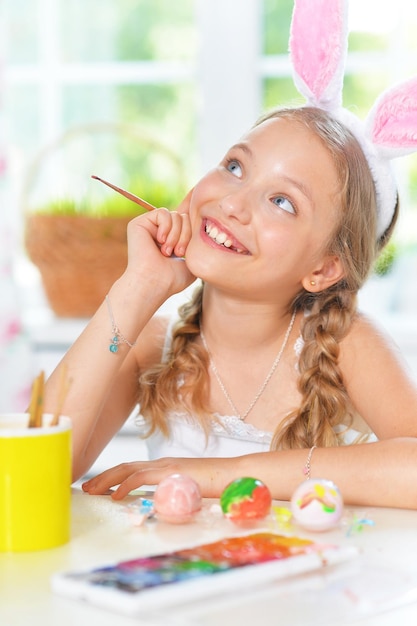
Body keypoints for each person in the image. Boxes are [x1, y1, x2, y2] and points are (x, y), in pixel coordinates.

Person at [44, 0, 417, 509]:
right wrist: (138, 288)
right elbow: (34, 467)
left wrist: (225, 474)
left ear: (324, 268)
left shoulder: (345, 345)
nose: (233, 203)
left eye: (282, 202)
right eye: (236, 166)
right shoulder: (157, 343)